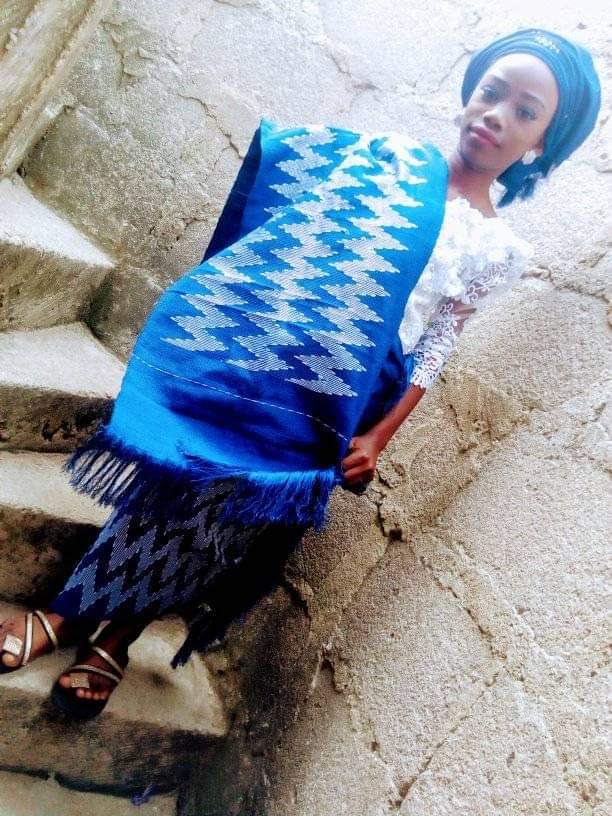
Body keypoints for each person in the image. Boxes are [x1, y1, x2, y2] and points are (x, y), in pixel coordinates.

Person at [0, 28, 601, 718]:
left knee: (229, 519)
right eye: (492, 92)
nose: (498, 114)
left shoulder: (497, 248)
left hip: (341, 400)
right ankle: (70, 615)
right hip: (267, 360)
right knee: (181, 473)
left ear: (540, 145)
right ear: (468, 97)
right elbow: (289, 221)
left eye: (525, 111)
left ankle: (116, 636)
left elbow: (437, 345)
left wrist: (378, 437)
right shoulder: (385, 166)